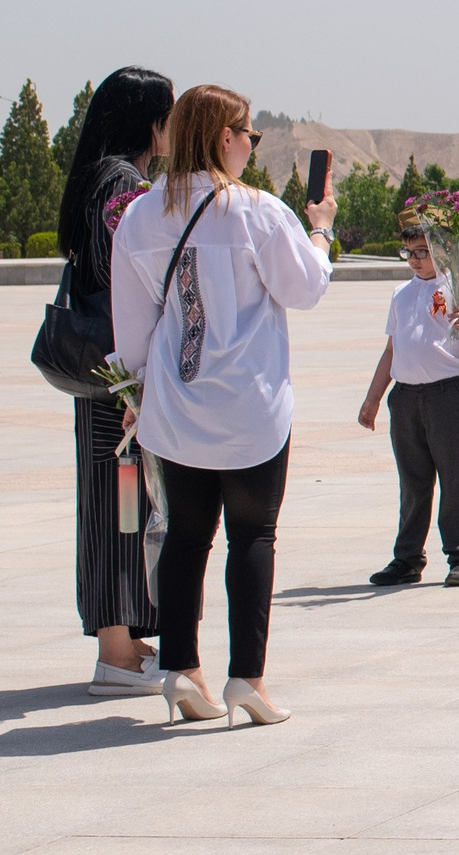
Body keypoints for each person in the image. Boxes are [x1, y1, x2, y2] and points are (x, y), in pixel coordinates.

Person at [110, 84, 334, 725]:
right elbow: (305, 287)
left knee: (186, 537)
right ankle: (247, 679)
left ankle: (182, 669)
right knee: (252, 536)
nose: (251, 147)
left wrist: (136, 394)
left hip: (177, 407)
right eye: (248, 135)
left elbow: (132, 327)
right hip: (249, 407)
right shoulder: (258, 211)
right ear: (224, 137)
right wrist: (321, 231)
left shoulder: (140, 217)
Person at [58, 65, 174, 696]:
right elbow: (133, 282)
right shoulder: (123, 185)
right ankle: (116, 654)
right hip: (118, 381)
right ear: (148, 122)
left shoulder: (100, 179)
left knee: (119, 504)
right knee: (121, 507)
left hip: (103, 376)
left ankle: (124, 640)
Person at [357, 219, 459, 587]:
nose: (415, 259)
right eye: (409, 252)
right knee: (413, 482)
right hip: (406, 398)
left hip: (448, 394)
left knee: (456, 478)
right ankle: (408, 559)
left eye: (423, 252)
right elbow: (391, 349)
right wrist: (373, 398)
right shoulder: (401, 294)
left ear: (443, 252)